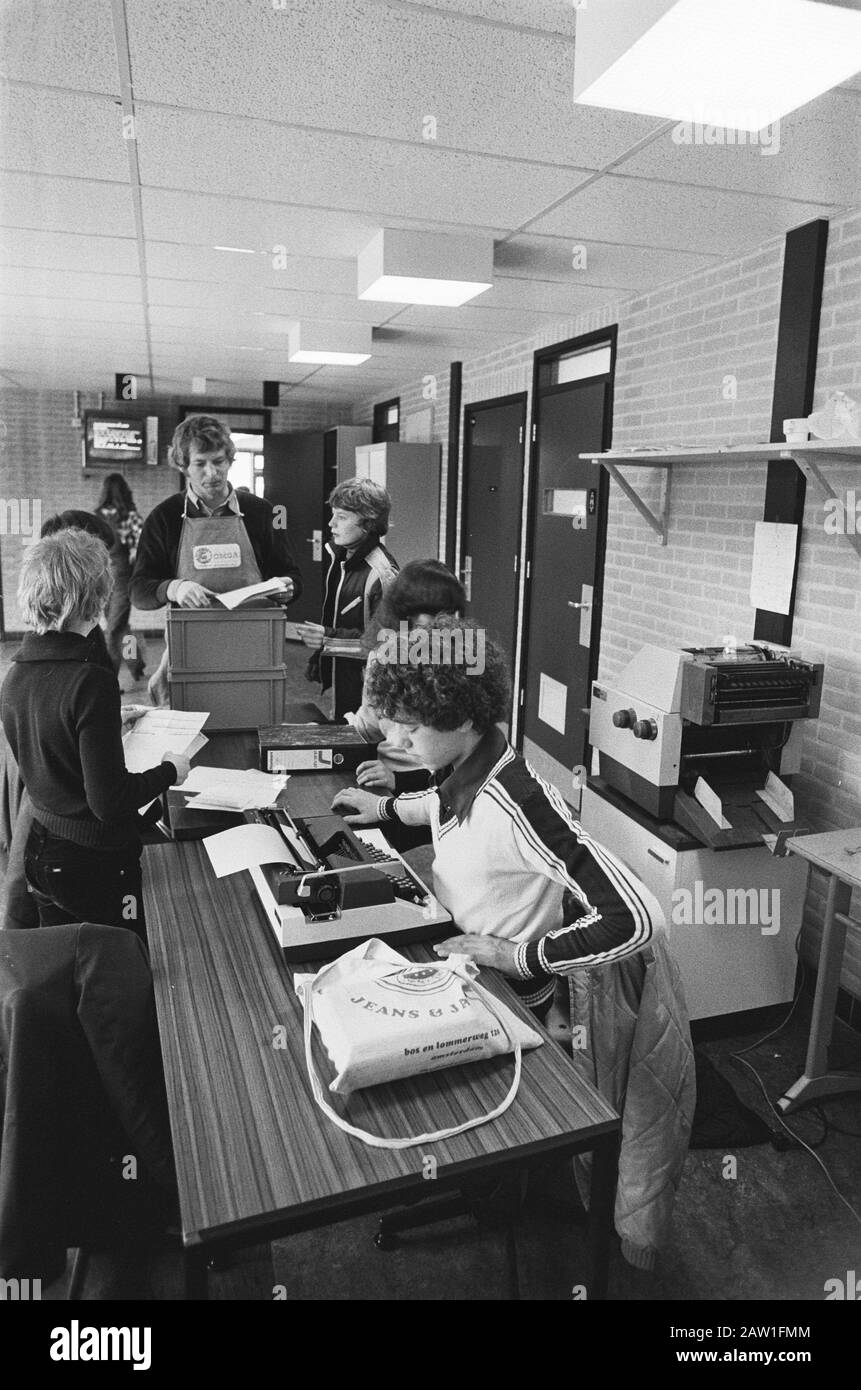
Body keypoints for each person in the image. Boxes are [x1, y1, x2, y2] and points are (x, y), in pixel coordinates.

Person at [331, 620, 658, 1014]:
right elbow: (440, 802)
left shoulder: (521, 805)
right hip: (461, 952)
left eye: (412, 728)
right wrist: (383, 807)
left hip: (507, 990)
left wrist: (515, 957)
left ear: (464, 718)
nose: (395, 741)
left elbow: (636, 917)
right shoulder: (463, 764)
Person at [1, 529, 190, 938]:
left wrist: (108, 722)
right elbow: (109, 802)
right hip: (95, 862)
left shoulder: (14, 675)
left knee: (66, 963)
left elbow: (50, 746)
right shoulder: (91, 681)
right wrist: (171, 771)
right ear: (97, 596)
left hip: (42, 851)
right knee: (120, 965)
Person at [130, 414, 303, 704]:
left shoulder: (263, 513)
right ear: (183, 466)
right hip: (190, 650)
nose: (212, 473)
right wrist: (174, 588)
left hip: (254, 647)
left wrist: (288, 588)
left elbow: (292, 575)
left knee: (249, 720)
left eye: (219, 461)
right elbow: (138, 590)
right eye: (200, 464)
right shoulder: (165, 518)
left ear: (229, 460)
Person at [347, 559, 466, 792]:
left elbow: (463, 759)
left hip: (434, 787)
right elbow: (369, 725)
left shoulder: (463, 660)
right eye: (431, 612)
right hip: (383, 777)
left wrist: (399, 781)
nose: (442, 620)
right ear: (405, 611)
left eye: (448, 611)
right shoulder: (380, 657)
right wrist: (316, 734)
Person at [298, 477, 398, 720]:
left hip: (370, 694)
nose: (331, 524)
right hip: (345, 681)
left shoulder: (383, 574)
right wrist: (320, 657)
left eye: (341, 517)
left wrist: (327, 640)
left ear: (368, 522)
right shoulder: (339, 557)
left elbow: (387, 645)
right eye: (333, 515)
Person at [95, 472, 147, 682]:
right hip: (123, 576)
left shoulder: (96, 516)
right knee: (119, 628)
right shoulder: (131, 516)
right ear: (125, 491)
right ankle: (136, 665)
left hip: (102, 577)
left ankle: (109, 679)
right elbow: (143, 545)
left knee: (114, 628)